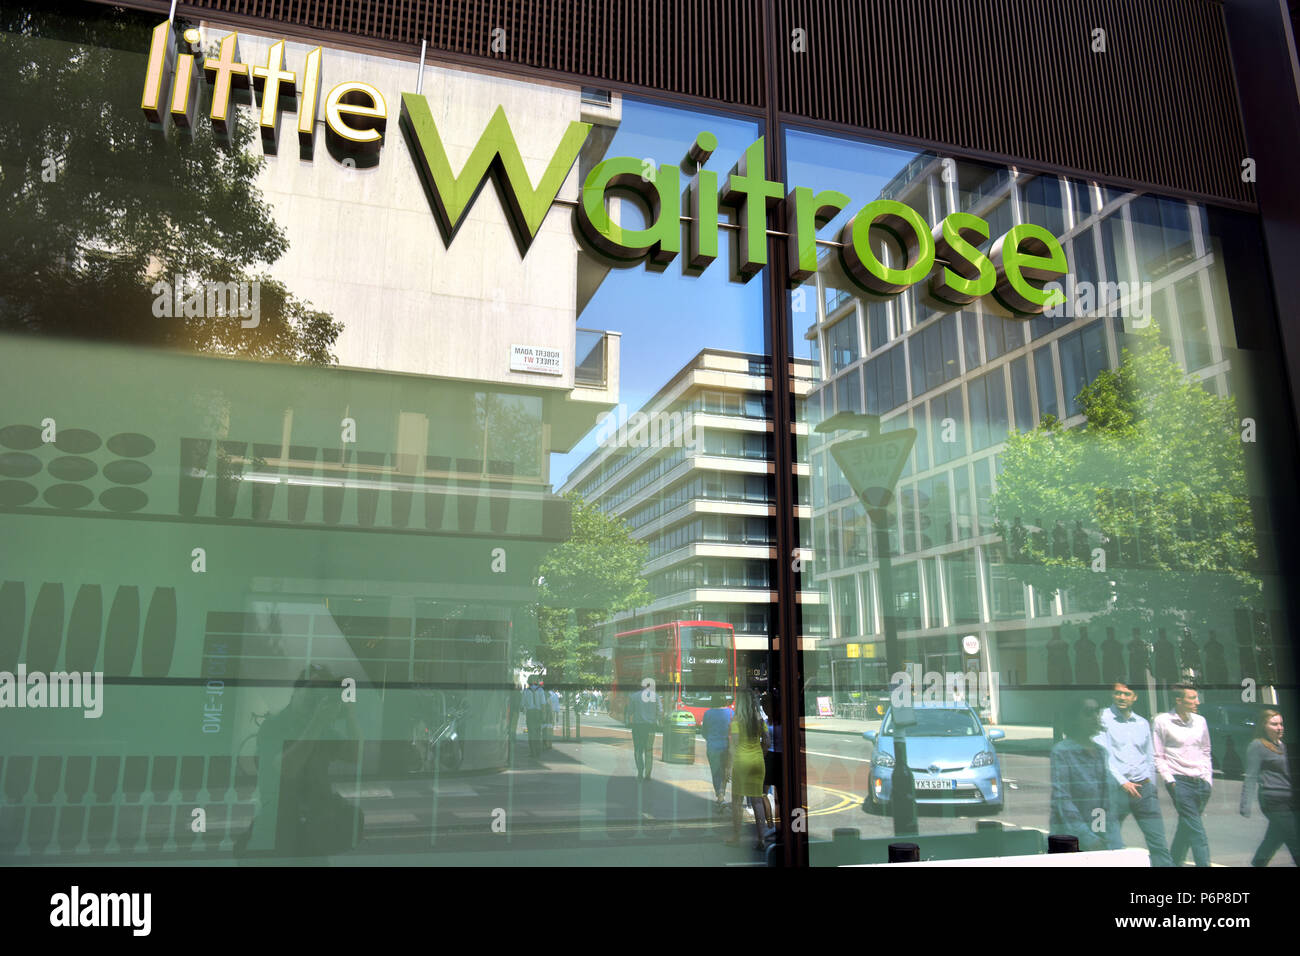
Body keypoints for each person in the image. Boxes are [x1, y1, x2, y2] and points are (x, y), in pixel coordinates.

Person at [1094, 679, 1173, 866]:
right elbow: (1103, 756)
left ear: (1134, 697)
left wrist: (1150, 785)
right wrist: (1123, 782)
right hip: (1115, 790)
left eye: (1127, 694)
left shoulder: (1143, 723)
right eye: (1118, 693)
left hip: (1143, 790)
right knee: (1111, 845)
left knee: (1158, 842)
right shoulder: (1102, 719)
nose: (1121, 697)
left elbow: (1149, 757)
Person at [1153, 683, 1213, 866]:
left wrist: (1207, 779)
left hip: (1201, 782)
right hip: (1179, 782)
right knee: (1197, 832)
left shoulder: (1200, 721)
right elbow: (1158, 755)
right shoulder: (1162, 721)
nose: (1197, 701)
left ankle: (1172, 862)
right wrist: (1170, 780)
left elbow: (1205, 750)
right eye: (1192, 698)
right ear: (1178, 700)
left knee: (1186, 827)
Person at [1049, 697, 1111, 850]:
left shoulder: (1101, 752)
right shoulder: (1062, 752)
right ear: (1074, 718)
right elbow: (1063, 800)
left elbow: (1102, 802)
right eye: (1088, 712)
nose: (1095, 717)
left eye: (1097, 711)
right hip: (1068, 841)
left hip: (1096, 838)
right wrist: (1088, 838)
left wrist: (1100, 833)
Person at [1240, 708, 1297, 866]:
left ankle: (1258, 863)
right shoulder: (1257, 746)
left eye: (1281, 724)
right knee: (1295, 838)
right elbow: (1250, 776)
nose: (1279, 728)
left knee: (1274, 838)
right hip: (1273, 800)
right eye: (1274, 724)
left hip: (1289, 800)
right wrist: (1245, 805)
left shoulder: (1282, 746)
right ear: (1263, 726)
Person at [725, 689, 770, 850]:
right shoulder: (759, 720)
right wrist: (760, 754)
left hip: (741, 762)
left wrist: (728, 768)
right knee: (757, 801)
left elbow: (733, 746)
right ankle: (762, 839)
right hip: (757, 762)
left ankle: (736, 836)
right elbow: (767, 741)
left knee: (737, 801)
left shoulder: (736, 721)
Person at [626, 675, 663, 780]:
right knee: (649, 750)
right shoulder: (656, 696)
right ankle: (648, 774)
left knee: (638, 749)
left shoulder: (634, 696)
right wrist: (656, 719)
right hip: (650, 727)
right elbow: (660, 711)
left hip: (638, 727)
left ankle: (640, 772)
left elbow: (630, 711)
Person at [701, 694, 734, 806]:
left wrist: (711, 738)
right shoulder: (730, 713)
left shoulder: (707, 713)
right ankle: (722, 794)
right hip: (727, 748)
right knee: (725, 772)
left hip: (712, 747)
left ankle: (719, 795)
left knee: (716, 773)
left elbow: (704, 732)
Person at [522, 674, 547, 758]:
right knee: (537, 733)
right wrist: (543, 715)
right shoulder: (541, 691)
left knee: (531, 734)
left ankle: (533, 752)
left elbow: (523, 705)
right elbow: (543, 704)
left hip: (530, 713)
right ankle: (538, 752)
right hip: (538, 713)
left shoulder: (526, 691)